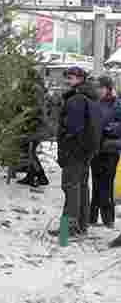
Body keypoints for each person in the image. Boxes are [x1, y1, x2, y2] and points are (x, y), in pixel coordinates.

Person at [49, 66, 102, 238]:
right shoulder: (91, 98)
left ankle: (67, 231)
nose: (67, 80)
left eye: (70, 77)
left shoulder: (76, 99)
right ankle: (81, 227)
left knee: (70, 189)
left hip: (74, 152)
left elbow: (73, 129)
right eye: (67, 76)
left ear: (80, 79)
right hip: (86, 152)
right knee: (81, 188)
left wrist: (66, 147)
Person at [89, 76, 120, 228]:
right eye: (96, 88)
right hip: (96, 148)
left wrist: (109, 128)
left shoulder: (117, 103)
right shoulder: (94, 103)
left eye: (100, 87)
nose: (98, 90)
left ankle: (108, 219)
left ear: (108, 88)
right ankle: (92, 217)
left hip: (110, 149)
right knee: (95, 183)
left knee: (106, 185)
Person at [17, 71, 50, 187]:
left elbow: (37, 108)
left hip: (36, 125)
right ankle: (30, 176)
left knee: (30, 152)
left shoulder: (35, 89)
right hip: (33, 124)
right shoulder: (32, 88)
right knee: (29, 151)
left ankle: (41, 176)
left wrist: (24, 110)